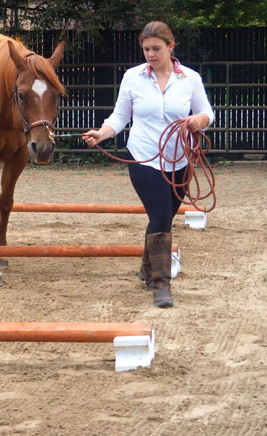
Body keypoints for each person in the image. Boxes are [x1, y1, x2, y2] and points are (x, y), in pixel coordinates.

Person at [81, 21, 214, 308]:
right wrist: (102, 134)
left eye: (156, 49)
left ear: (171, 46)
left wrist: (198, 121)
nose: (150, 55)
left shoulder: (189, 78)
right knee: (162, 216)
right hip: (143, 157)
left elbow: (206, 112)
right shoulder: (133, 77)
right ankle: (160, 284)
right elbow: (120, 116)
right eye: (146, 49)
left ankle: (146, 267)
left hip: (181, 159)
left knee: (161, 218)